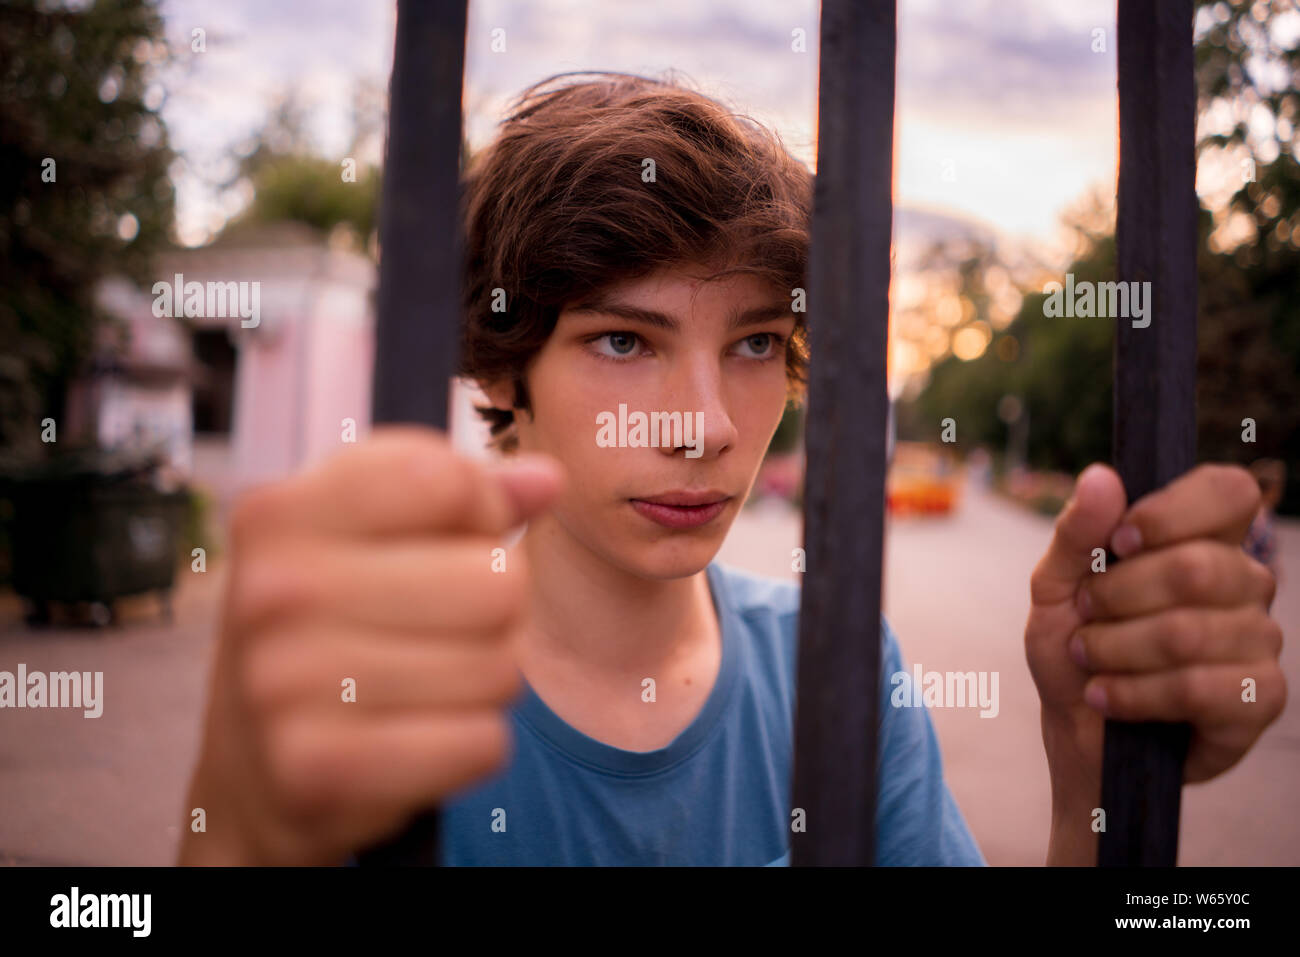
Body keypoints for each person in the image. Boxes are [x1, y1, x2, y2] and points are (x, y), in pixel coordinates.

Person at [177, 73, 1286, 867]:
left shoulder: (836, 672)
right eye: (623, 340)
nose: (706, 425)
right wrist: (228, 839)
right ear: (505, 364)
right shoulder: (386, 683)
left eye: (755, 343)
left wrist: (1091, 783)